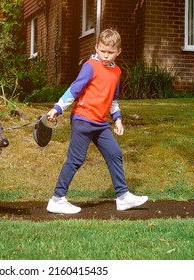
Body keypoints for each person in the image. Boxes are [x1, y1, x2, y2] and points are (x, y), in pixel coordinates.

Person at [46, 28, 148, 214]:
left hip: (101, 124)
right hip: (83, 120)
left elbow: (113, 99)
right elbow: (74, 90)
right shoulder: (90, 66)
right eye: (102, 51)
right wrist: (57, 108)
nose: (105, 55)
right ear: (96, 47)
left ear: (118, 51)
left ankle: (123, 197)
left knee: (114, 153)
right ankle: (57, 199)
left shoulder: (116, 72)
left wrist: (117, 118)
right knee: (76, 160)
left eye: (110, 52)